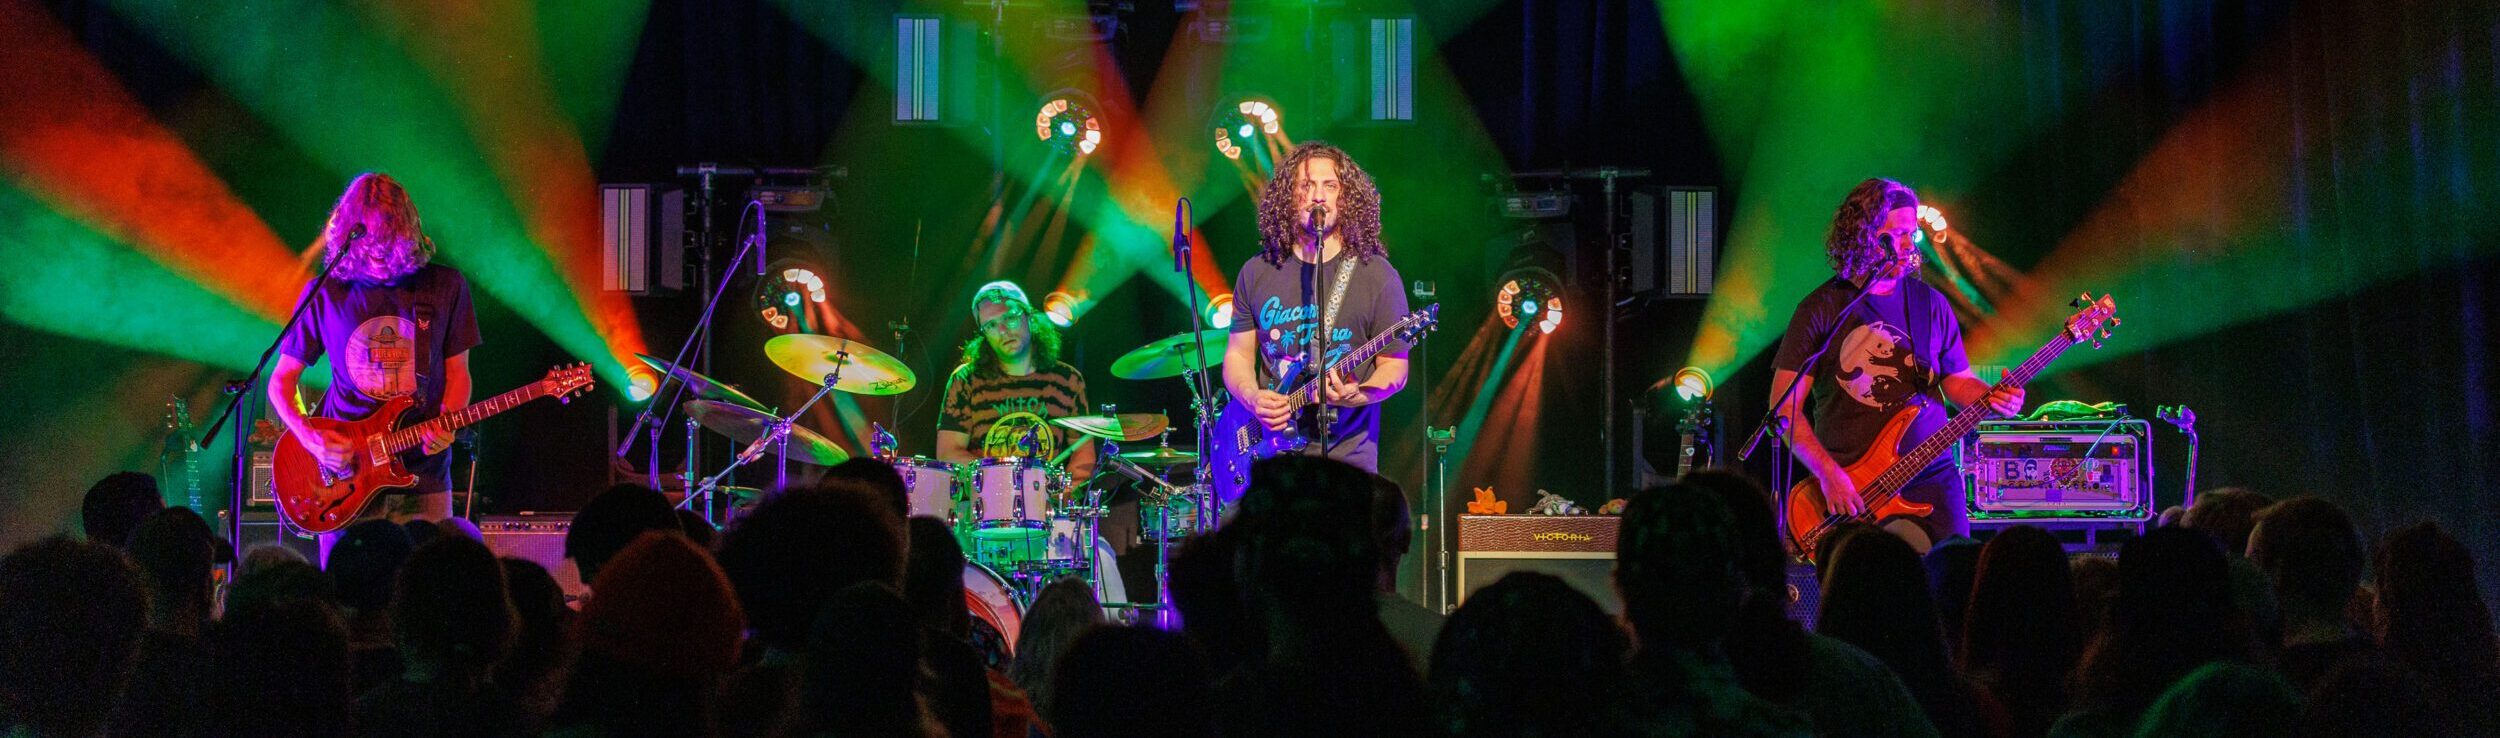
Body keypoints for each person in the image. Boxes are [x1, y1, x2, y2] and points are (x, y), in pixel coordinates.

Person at [1770, 178, 2022, 551]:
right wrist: (1828, 475)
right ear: (1865, 237)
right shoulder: (1820, 309)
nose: (1909, 244)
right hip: (1853, 487)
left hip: (1931, 475)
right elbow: (1783, 407)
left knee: (1953, 578)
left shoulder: (1931, 304)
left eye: (1913, 233)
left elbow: (1957, 382)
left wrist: (1992, 397)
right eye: (1898, 234)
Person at [268, 172, 480, 525]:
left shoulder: (445, 286)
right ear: (349, 236)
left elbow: (459, 373)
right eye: (370, 244)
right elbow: (281, 383)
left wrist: (448, 422)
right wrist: (311, 439)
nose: (380, 255)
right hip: (347, 479)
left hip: (423, 476)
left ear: (408, 232)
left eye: (389, 242)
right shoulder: (326, 292)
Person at [1220, 141, 1411, 504]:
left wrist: (1359, 394)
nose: (1318, 196)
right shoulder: (1257, 271)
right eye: (1305, 185)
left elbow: (1395, 369)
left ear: (1346, 198)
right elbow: (1237, 357)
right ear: (1288, 197)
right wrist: (1253, 397)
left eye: (1330, 186)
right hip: (1271, 461)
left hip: (1346, 465)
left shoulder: (1377, 275)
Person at [935, 281, 1111, 545]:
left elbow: (1083, 457)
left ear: (1029, 315)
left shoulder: (1067, 380)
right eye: (991, 326)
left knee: (1102, 560)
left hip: (1048, 516)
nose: (1003, 330)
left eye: (1010, 318)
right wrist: (1003, 487)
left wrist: (1059, 495)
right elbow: (948, 452)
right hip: (984, 518)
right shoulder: (966, 381)